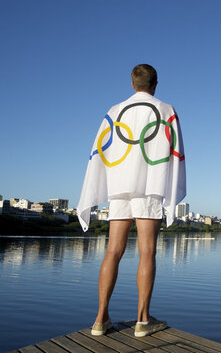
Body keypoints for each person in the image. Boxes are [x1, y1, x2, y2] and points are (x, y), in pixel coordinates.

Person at [77, 64, 186, 337]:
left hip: (119, 188)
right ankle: (142, 320)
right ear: (156, 84)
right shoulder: (166, 110)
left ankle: (100, 319)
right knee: (147, 251)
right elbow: (175, 151)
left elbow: (98, 150)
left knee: (113, 250)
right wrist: (171, 190)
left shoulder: (114, 112)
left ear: (132, 83)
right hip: (149, 187)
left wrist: (99, 186)